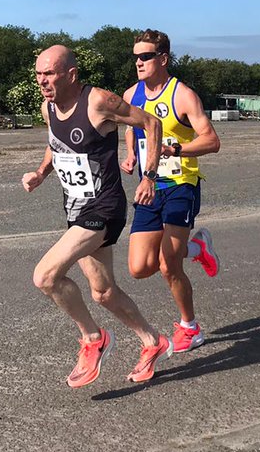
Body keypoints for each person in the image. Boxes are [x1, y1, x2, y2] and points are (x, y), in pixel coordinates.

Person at [22, 45, 171, 388]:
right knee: (103, 292)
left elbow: (151, 123)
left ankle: (93, 338)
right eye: (38, 74)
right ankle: (153, 342)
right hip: (75, 209)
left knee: (45, 276)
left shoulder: (99, 102)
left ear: (71, 74)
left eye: (49, 74)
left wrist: (149, 175)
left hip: (104, 209)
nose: (42, 81)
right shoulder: (49, 108)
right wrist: (41, 173)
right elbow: (55, 142)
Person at [119, 29, 221, 354]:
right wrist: (132, 154)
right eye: (135, 56)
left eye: (145, 56)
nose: (139, 62)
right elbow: (131, 128)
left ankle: (189, 327)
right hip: (148, 187)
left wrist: (176, 150)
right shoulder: (130, 95)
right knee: (139, 268)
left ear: (162, 58)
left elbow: (211, 140)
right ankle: (198, 248)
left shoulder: (183, 95)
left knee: (168, 264)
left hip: (181, 185)